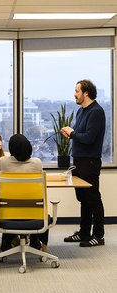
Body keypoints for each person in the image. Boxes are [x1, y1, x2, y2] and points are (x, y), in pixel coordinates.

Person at [61, 79, 106, 247]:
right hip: (78, 161)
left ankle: (99, 236)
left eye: (77, 91)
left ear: (86, 93)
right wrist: (70, 133)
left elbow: (88, 138)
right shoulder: (81, 111)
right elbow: (79, 133)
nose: (75, 94)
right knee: (83, 199)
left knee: (93, 198)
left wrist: (72, 134)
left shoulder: (96, 112)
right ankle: (84, 232)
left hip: (90, 162)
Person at [0, 134, 44, 251]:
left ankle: (7, 240)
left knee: (11, 202)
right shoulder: (37, 162)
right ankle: (34, 239)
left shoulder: (3, 161)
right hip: (33, 214)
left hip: (9, 214)